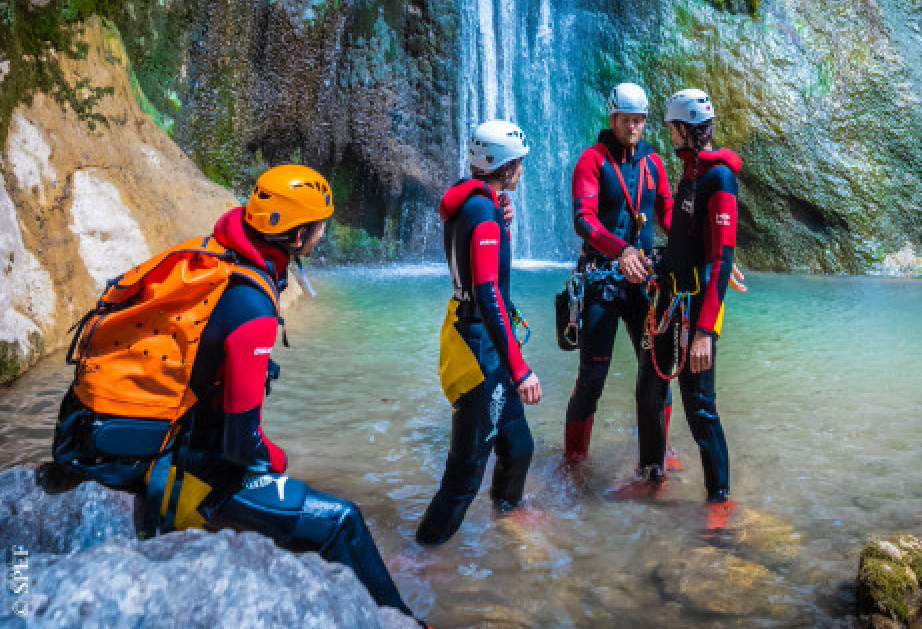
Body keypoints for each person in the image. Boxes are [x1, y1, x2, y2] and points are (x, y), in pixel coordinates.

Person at [52, 164, 422, 619]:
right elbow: (240, 444)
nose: (323, 234)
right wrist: (277, 461)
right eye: (320, 226)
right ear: (298, 234)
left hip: (140, 436)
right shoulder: (252, 308)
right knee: (342, 521)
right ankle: (404, 622)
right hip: (193, 470)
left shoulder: (216, 257)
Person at [416, 119, 542, 546]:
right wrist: (520, 369)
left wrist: (497, 216)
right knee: (465, 471)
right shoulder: (483, 211)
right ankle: (422, 555)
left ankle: (508, 512)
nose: (522, 172)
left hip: (479, 332)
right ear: (505, 167)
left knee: (518, 445)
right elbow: (488, 294)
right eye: (519, 165)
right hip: (479, 344)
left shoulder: (474, 201)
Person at [635, 88, 741, 506]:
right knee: (650, 384)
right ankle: (651, 471)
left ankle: (720, 499)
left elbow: (718, 259)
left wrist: (702, 333)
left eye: (673, 129)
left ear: (683, 128)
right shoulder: (693, 172)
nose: (671, 136)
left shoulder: (719, 177)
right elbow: (694, 240)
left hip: (696, 313)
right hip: (670, 301)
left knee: (700, 407)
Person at [564, 83, 675, 465]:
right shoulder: (591, 161)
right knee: (593, 376)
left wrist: (702, 247)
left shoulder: (654, 163)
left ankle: (660, 451)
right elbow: (584, 220)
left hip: (644, 279)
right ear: (611, 119)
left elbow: (668, 214)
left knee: (658, 371)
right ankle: (575, 459)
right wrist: (621, 251)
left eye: (639, 120)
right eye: (626, 120)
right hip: (603, 279)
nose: (632, 127)